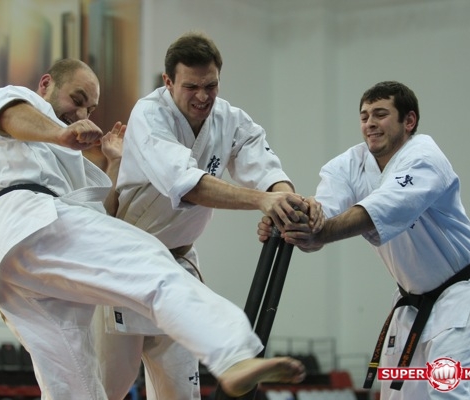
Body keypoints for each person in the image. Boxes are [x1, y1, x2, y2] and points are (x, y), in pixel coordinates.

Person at [0, 58, 306, 399]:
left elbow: (99, 218)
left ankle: (231, 356)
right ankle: (232, 354)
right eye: (77, 99)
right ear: (46, 84)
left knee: (76, 388)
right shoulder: (19, 100)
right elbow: (11, 117)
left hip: (19, 267)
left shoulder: (71, 161)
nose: (82, 113)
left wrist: (114, 162)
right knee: (150, 259)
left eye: (90, 108)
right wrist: (61, 133)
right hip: (29, 217)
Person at [96, 31, 321, 400]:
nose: (203, 96)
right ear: (168, 82)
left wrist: (286, 200)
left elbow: (264, 169)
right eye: (191, 87)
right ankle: (235, 361)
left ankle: (235, 362)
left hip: (178, 263)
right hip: (125, 264)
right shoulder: (149, 115)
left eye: (211, 85)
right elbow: (187, 185)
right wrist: (262, 202)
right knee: (103, 390)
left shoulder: (230, 119)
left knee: (180, 392)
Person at [259, 81, 470, 399]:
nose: (370, 123)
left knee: (450, 394)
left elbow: (381, 209)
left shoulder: (425, 157)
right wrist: (290, 219)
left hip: (463, 295)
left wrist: (320, 232)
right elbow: (323, 214)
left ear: (409, 121)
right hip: (409, 302)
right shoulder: (350, 164)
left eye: (381, 114)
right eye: (364, 116)